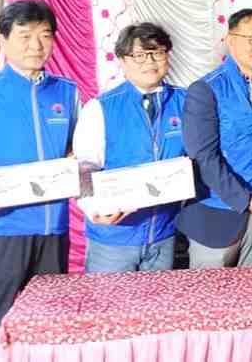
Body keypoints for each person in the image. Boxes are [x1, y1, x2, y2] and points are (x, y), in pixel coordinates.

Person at [0, 0, 79, 362]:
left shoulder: (67, 93)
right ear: (3, 39)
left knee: (47, 327)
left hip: (54, 229)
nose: (36, 45)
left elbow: (75, 154)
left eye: (45, 35)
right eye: (25, 36)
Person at [177, 9, 252, 268]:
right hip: (218, 212)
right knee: (210, 291)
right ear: (230, 40)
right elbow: (203, 156)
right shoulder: (206, 89)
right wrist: (245, 200)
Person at [73, 23, 186, 272]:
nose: (150, 62)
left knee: (158, 299)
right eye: (139, 55)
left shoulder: (185, 102)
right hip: (114, 238)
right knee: (108, 299)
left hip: (164, 235)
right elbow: (84, 168)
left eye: (157, 52)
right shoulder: (100, 108)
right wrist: (94, 209)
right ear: (122, 60)